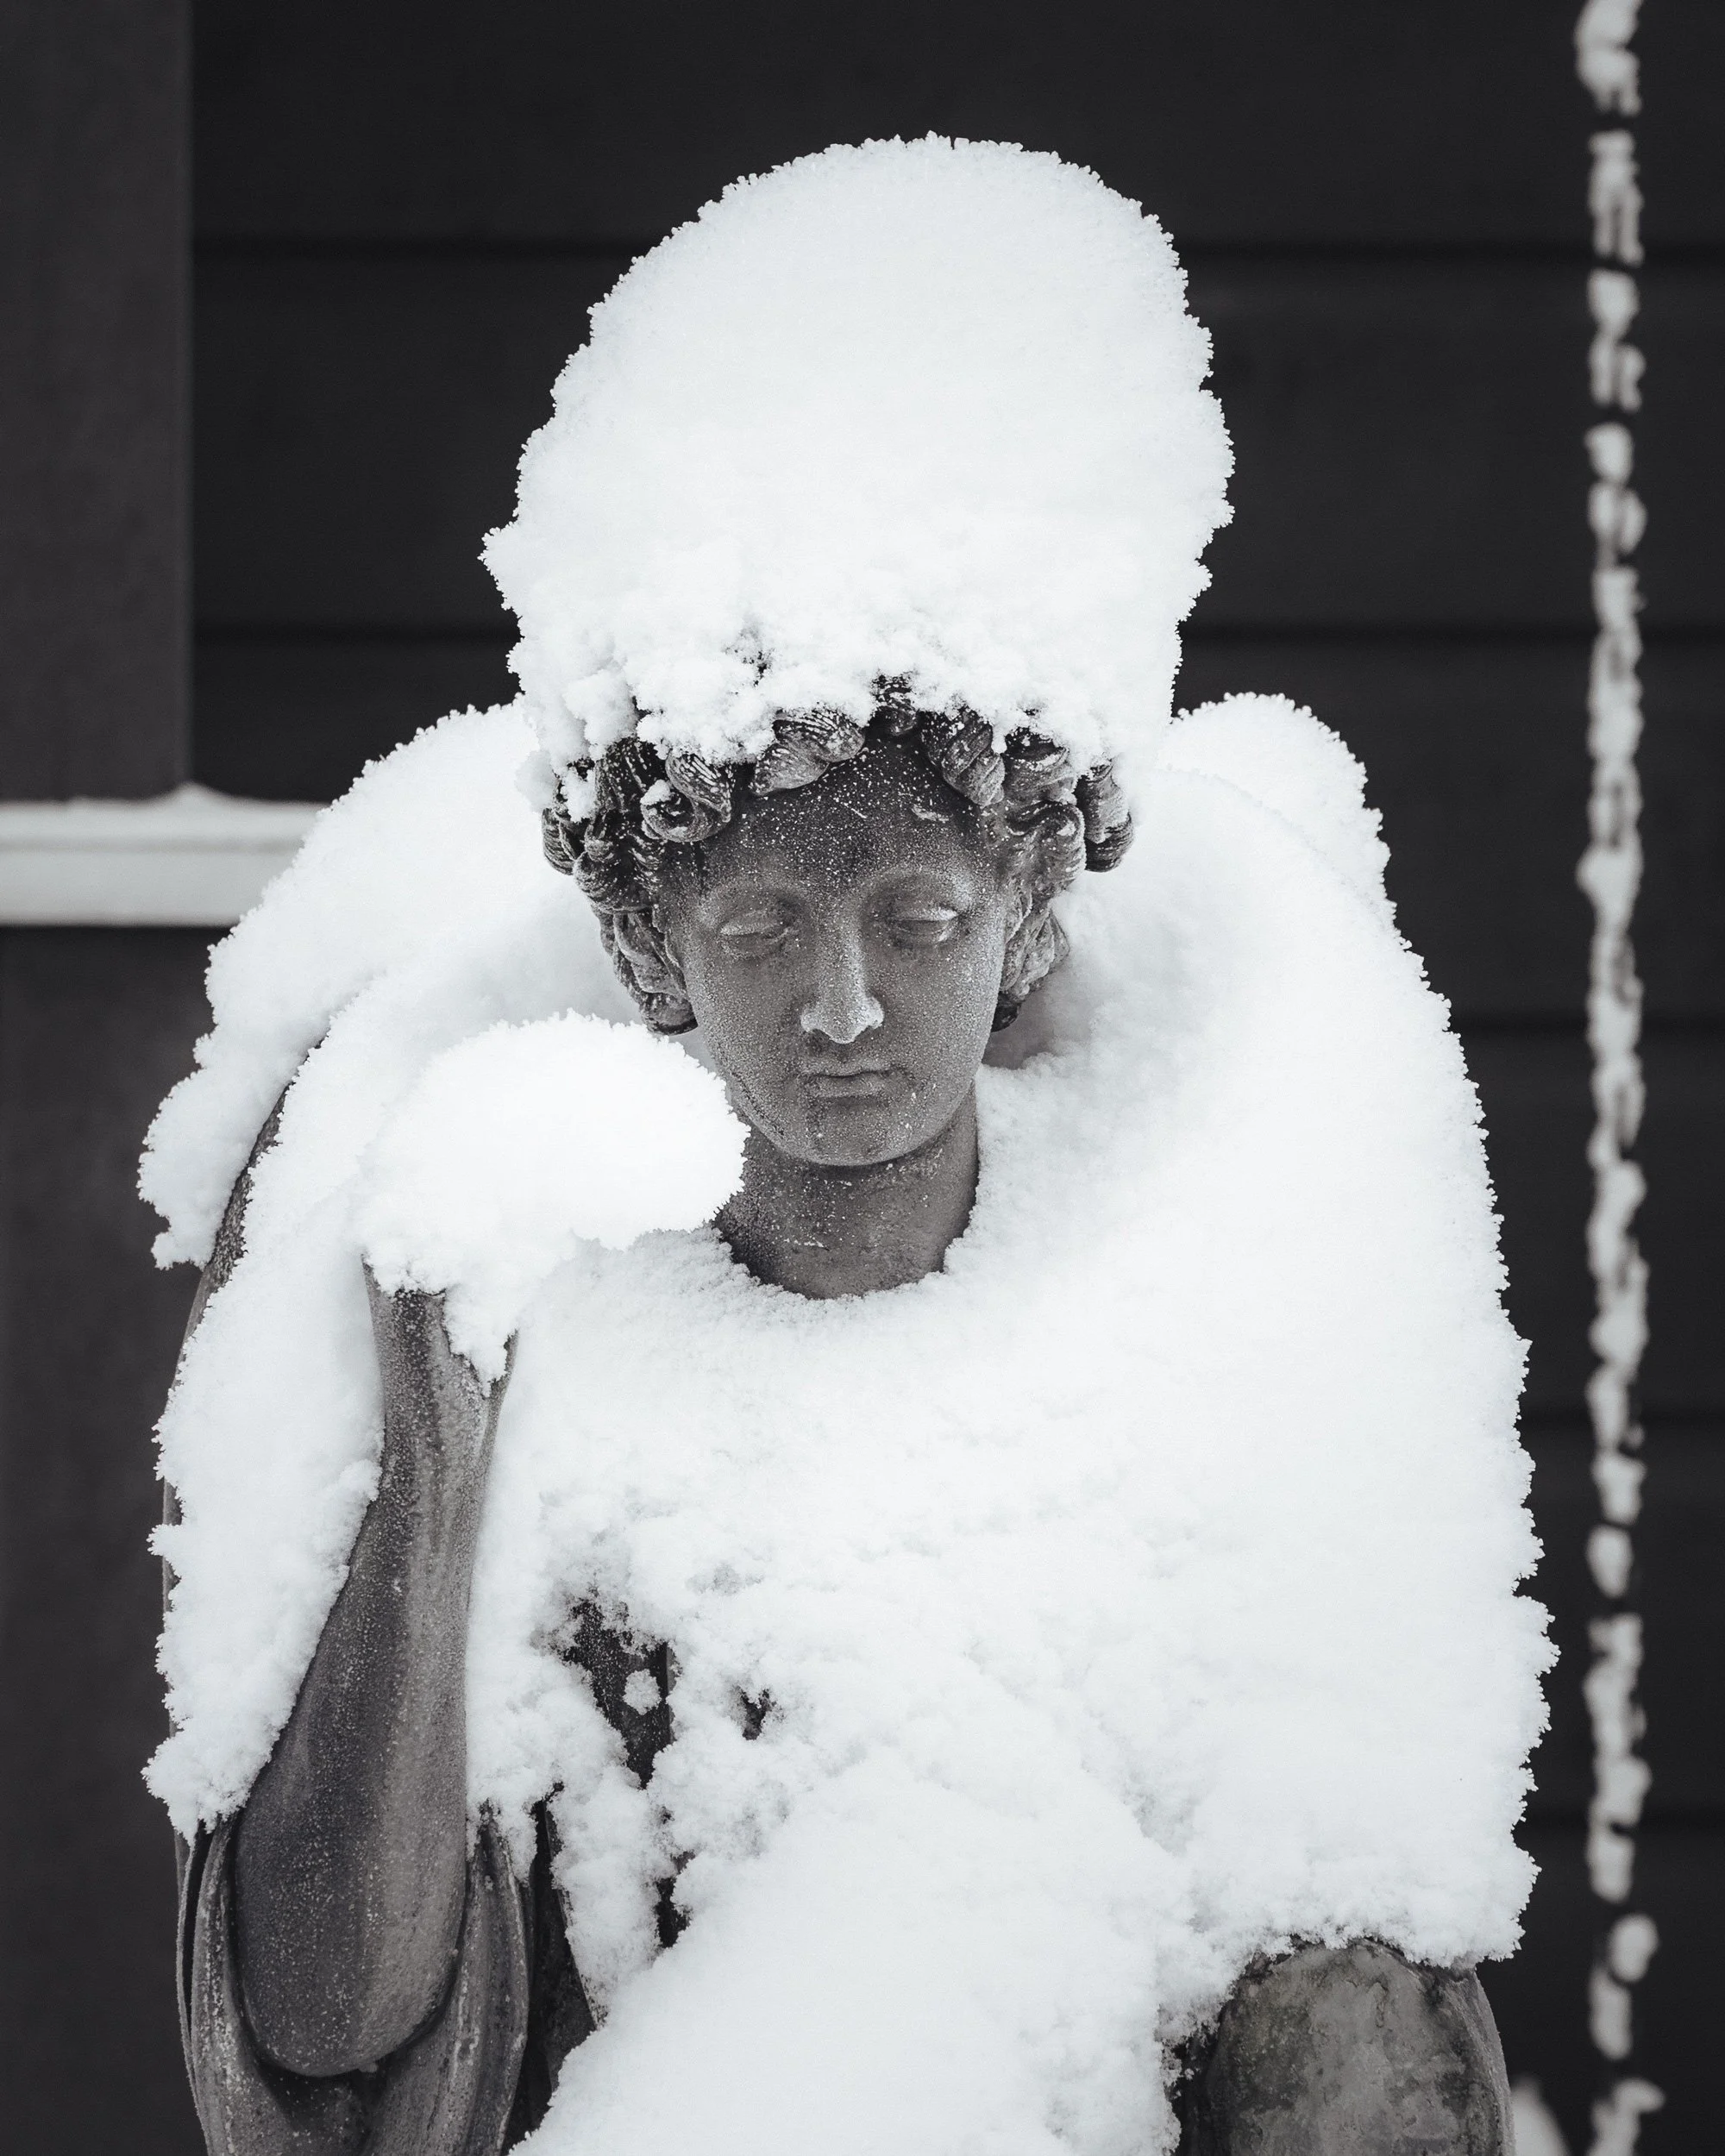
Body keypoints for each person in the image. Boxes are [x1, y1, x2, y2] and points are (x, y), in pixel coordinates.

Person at [148, 140, 1538, 2156]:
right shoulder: (555, 1295)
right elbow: (324, 2034)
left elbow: (1364, 1997)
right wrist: (436, 1436)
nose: (842, 1009)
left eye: (917, 921)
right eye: (757, 930)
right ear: (642, 946)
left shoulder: (1190, 1274)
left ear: (1034, 912)